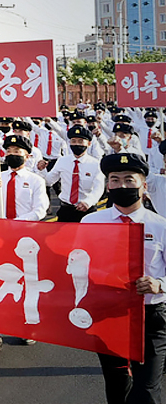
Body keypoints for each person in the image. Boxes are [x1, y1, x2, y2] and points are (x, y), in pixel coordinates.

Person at [82, 153, 166, 404]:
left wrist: (159, 284)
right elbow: (74, 266)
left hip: (150, 317)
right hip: (108, 315)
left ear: (143, 185)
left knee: (147, 389)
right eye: (115, 180)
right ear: (107, 185)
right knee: (117, 386)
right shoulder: (90, 223)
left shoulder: (160, 225)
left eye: (129, 180)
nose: (122, 186)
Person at [0, 134, 48, 352]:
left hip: (24, 238)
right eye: (9, 152)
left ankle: (25, 328)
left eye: (17, 152)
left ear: (27, 156)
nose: (12, 155)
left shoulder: (36, 180)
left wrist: (15, 224)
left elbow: (40, 210)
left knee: (25, 283)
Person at [38, 126, 105, 222]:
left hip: (87, 210)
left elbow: (99, 188)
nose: (77, 144)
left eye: (81, 141)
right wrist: (42, 170)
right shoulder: (62, 161)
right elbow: (49, 182)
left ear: (89, 144)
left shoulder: (95, 164)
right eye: (73, 141)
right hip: (66, 209)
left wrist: (88, 202)